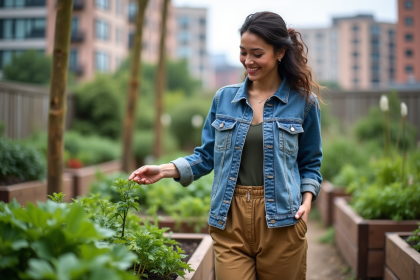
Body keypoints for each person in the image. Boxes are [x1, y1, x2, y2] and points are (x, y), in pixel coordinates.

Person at [129, 11, 322, 280]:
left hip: (283, 220)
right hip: (230, 219)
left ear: (279, 53)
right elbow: (206, 156)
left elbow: (310, 163)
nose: (248, 61)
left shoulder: (304, 102)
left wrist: (307, 200)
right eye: (243, 52)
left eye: (257, 53)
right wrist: (164, 169)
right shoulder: (224, 99)